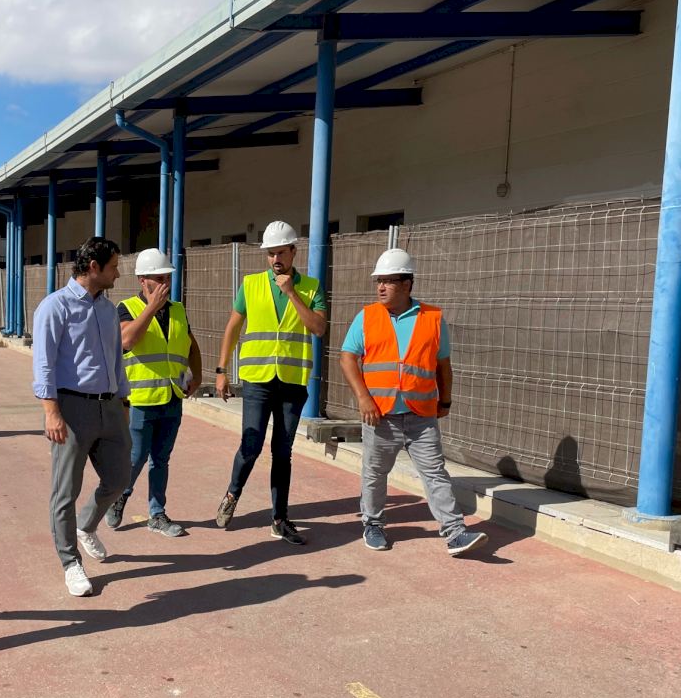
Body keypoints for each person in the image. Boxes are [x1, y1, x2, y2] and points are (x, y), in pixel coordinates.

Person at [338, 247, 488, 556]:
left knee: (435, 473)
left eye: (388, 281)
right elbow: (347, 358)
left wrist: (445, 401)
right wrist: (364, 398)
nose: (381, 287)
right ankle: (373, 524)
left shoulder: (432, 318)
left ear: (407, 284)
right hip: (380, 414)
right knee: (374, 473)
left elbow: (443, 365)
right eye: (379, 281)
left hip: (421, 416)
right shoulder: (367, 317)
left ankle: (455, 533)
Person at [213, 221, 328, 544]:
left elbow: (318, 328)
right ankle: (232, 494)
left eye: (280, 252)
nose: (275, 259)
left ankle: (280, 518)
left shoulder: (312, 288)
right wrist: (221, 370)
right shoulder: (250, 284)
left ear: (293, 251)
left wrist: (291, 293)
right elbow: (233, 327)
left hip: (292, 382)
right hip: (258, 380)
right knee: (251, 446)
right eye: (270, 253)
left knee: (282, 452)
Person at [32, 236, 131, 598]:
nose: (117, 274)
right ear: (93, 267)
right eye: (113, 267)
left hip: (110, 407)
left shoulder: (107, 309)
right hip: (72, 409)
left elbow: (116, 359)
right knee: (65, 491)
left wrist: (123, 400)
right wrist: (51, 412)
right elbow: (43, 363)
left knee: (120, 478)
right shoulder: (54, 307)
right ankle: (70, 562)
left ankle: (86, 525)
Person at [106, 248, 203, 537]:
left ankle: (157, 514)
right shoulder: (126, 308)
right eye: (157, 278)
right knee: (135, 457)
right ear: (142, 280)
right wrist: (151, 308)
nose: (164, 283)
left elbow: (191, 344)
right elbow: (127, 341)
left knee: (161, 459)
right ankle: (119, 496)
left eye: (166, 278)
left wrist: (197, 375)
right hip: (140, 399)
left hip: (172, 397)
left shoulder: (178, 310)